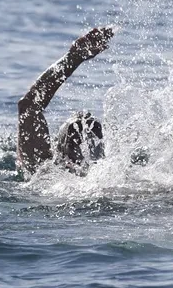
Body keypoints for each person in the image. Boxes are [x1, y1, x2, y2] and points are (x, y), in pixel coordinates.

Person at [17, 27, 113, 176]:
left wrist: (74, 56)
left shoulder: (43, 171)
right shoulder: (119, 175)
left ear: (60, 150)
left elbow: (28, 105)